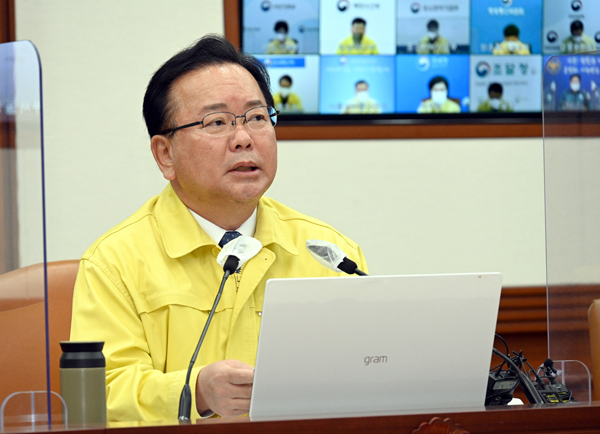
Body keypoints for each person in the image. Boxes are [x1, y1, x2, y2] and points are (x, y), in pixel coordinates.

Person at [70, 34, 367, 422]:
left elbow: (367, 374)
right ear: (165, 154)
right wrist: (195, 391)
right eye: (217, 122)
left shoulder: (330, 254)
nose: (244, 139)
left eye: (257, 117)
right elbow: (99, 394)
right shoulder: (115, 262)